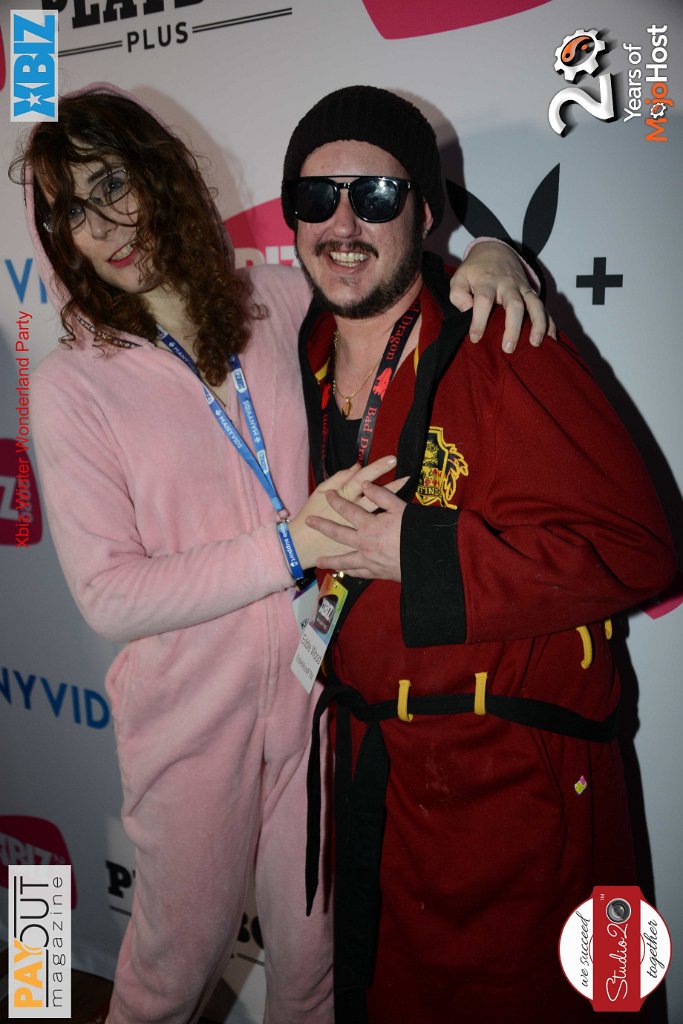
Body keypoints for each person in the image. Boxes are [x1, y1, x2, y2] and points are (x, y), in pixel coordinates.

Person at [12, 83, 546, 1024]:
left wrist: (487, 255)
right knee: (170, 978)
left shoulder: (276, 296)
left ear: (160, 175)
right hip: (189, 723)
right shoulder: (71, 385)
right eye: (69, 214)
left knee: (311, 968)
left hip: (317, 695)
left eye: (111, 186)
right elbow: (108, 595)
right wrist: (290, 543)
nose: (101, 229)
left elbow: (392, 282)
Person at [281, 85, 676, 1024]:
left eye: (376, 195)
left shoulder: (503, 334)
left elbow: (642, 550)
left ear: (424, 210)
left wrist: (423, 556)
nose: (343, 223)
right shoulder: (298, 345)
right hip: (379, 783)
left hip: (521, 790)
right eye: (316, 196)